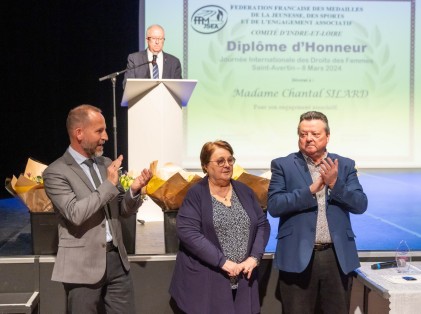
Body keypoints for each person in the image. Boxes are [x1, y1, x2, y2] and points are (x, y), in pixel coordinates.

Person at [43, 104, 152, 313]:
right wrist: (109, 185)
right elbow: (75, 213)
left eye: (105, 130)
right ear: (79, 133)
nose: (106, 137)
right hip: (82, 265)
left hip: (116, 261)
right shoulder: (56, 172)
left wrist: (135, 191)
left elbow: (122, 209)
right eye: (99, 131)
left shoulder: (106, 164)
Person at [267, 111, 368, 314]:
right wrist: (310, 191)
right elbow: (275, 205)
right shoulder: (283, 165)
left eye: (314, 133)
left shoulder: (345, 165)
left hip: (335, 256)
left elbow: (360, 204)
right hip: (297, 255)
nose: (308, 138)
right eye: (303, 134)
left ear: (327, 136)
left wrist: (334, 184)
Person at [169, 140, 270, 314]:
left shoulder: (244, 191)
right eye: (220, 161)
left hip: (243, 279)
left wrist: (254, 258)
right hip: (206, 282)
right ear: (205, 166)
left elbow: (262, 224)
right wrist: (222, 262)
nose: (227, 165)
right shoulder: (196, 194)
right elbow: (188, 233)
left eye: (230, 160)